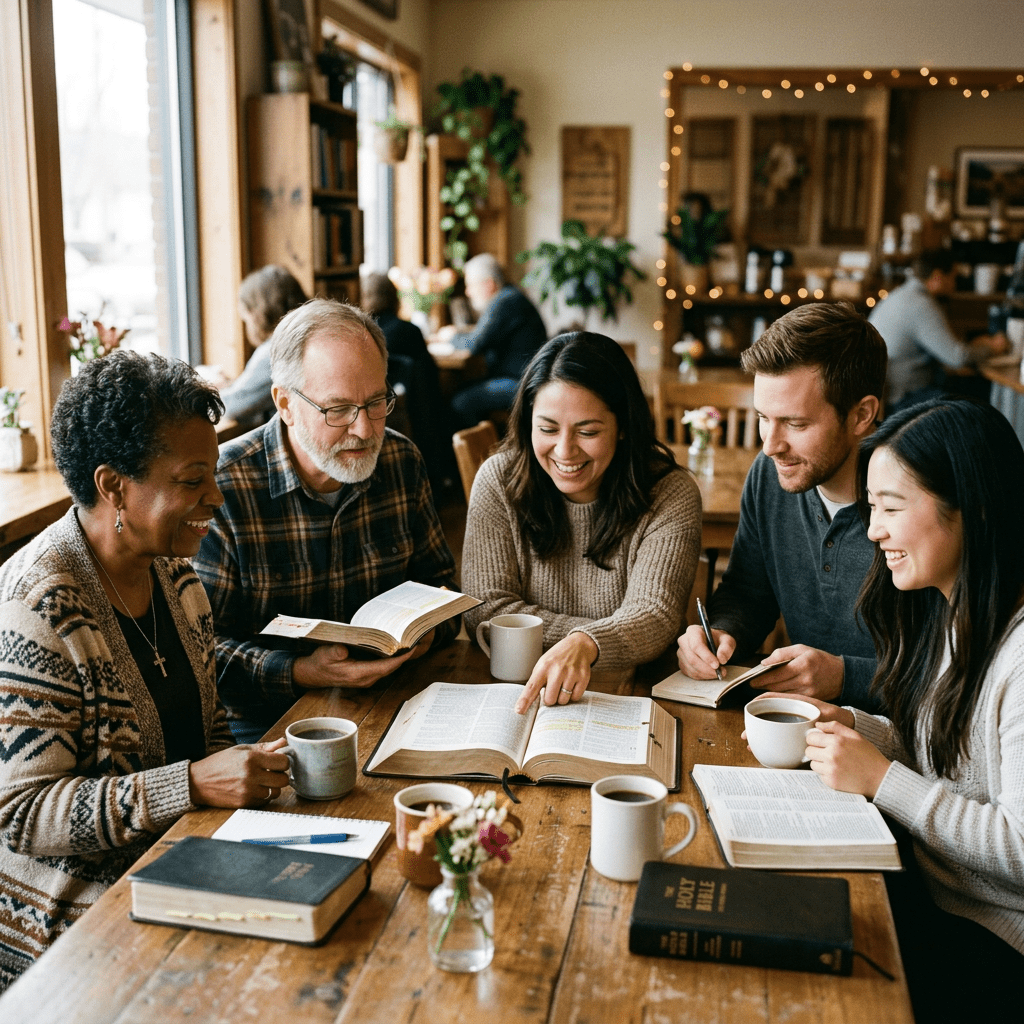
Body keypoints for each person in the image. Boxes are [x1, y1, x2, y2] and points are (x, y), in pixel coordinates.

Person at [0, 352, 290, 989]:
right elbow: (23, 814)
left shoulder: (178, 575)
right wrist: (188, 785)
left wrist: (242, 785)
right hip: (76, 918)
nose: (216, 497)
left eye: (213, 474)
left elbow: (210, 732)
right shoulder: (40, 606)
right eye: (192, 481)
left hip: (182, 862)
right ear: (113, 487)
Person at [789, 399, 1024, 1023]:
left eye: (891, 509)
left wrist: (881, 780)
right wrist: (856, 729)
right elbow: (950, 762)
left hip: (996, 945)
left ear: (969, 510)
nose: (872, 531)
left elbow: (1021, 847)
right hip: (933, 897)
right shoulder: (956, 610)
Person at [194, 298, 458, 742]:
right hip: (270, 723)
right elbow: (199, 654)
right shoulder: (224, 488)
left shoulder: (400, 460)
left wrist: (429, 630)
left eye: (376, 402)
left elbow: (442, 587)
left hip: (394, 698)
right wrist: (300, 671)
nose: (364, 429)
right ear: (285, 404)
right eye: (337, 410)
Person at [462, 332, 702, 714]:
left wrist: (586, 643)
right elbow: (486, 608)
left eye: (588, 432)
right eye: (547, 429)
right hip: (520, 693)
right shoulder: (499, 480)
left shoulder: (670, 492)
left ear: (623, 426)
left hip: (634, 697)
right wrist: (596, 637)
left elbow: (655, 614)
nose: (564, 450)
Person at [677, 302, 885, 709]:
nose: (770, 446)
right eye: (762, 418)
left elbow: (951, 675)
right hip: (802, 726)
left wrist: (845, 677)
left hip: (902, 745)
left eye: (795, 423)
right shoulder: (769, 474)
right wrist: (720, 634)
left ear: (861, 415)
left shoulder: (916, 500)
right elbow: (749, 591)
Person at [868, 249, 1007, 411]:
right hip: (905, 398)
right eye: (953, 276)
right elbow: (957, 357)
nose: (955, 283)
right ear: (938, 275)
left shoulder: (900, 295)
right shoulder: (921, 304)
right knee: (976, 404)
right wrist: (993, 347)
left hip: (887, 393)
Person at [361, 271, 455, 497]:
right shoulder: (410, 331)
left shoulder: (364, 337)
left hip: (379, 414)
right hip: (422, 419)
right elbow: (430, 376)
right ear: (394, 297)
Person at [433, 253, 547, 429]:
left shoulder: (504, 302)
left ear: (489, 285)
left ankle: (475, 452)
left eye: (471, 285)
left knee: (459, 401)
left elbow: (474, 345)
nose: (467, 292)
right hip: (525, 379)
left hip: (521, 384)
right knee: (460, 388)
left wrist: (451, 337)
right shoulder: (511, 297)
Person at [220, 265, 308, 424]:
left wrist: (206, 391)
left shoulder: (276, 349)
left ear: (256, 314)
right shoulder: (306, 336)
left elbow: (234, 405)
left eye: (245, 318)